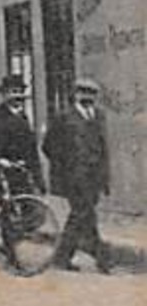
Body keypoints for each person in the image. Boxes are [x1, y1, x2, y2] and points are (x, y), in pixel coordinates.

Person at [43, 78, 113, 273]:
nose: (87, 97)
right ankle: (102, 258)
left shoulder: (99, 116)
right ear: (75, 94)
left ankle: (63, 257)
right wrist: (66, 167)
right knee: (83, 213)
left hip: (94, 177)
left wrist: (105, 178)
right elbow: (48, 145)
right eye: (83, 92)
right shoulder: (64, 117)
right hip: (74, 178)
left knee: (83, 216)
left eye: (91, 94)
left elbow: (104, 148)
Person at [0, 75, 45, 194]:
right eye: (13, 92)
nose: (18, 96)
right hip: (4, 177)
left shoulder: (23, 118)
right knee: (7, 210)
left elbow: (31, 151)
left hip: (24, 178)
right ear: (4, 95)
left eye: (20, 92)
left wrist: (39, 180)